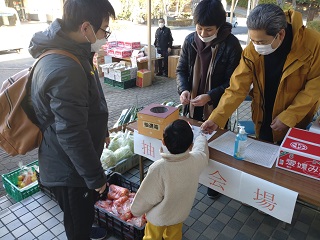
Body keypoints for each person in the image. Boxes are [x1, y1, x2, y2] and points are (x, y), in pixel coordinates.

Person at [28, 0, 115, 239]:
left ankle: (84, 228)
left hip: (67, 159)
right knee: (77, 220)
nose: (105, 36)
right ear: (86, 27)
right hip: (69, 168)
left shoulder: (75, 50)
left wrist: (103, 129)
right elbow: (72, 133)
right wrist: (95, 177)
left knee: (81, 214)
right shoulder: (65, 68)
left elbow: (87, 103)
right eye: (104, 29)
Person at [201, 4, 320, 145]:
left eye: (261, 42)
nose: (256, 46)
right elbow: (237, 87)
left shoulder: (312, 44)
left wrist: (290, 116)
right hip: (262, 115)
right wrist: (216, 118)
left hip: (296, 119)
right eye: (252, 40)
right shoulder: (252, 49)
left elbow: (314, 87)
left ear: (280, 34)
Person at [176, 0, 242, 199]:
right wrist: (184, 89)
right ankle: (191, 175)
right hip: (193, 104)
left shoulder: (231, 45)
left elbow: (233, 84)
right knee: (192, 140)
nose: (203, 34)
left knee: (215, 145)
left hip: (217, 107)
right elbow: (181, 70)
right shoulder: (189, 41)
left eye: (209, 29)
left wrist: (210, 96)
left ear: (219, 26)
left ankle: (214, 184)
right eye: (199, 28)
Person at [130, 119, 209, 240]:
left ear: (163, 142)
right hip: (179, 214)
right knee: (174, 236)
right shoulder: (196, 160)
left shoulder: (159, 168)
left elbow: (147, 196)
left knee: (152, 237)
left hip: (159, 217)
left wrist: (135, 210)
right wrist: (201, 137)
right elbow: (201, 150)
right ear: (190, 145)